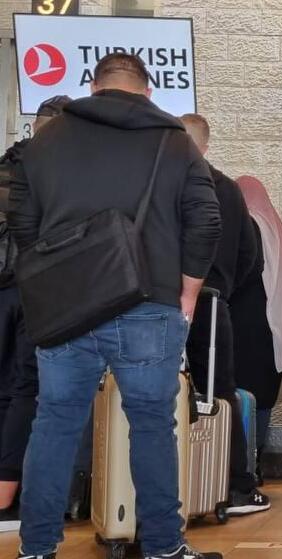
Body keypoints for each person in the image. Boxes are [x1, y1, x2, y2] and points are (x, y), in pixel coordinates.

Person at [7, 53, 222, 559]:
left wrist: (58, 279)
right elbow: (206, 220)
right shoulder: (174, 142)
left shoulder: (47, 140)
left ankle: (36, 548)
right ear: (147, 93)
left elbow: (22, 225)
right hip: (150, 306)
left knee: (55, 421)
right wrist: (187, 294)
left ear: (93, 87)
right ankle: (164, 547)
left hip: (66, 310)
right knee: (151, 425)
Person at [179, 114, 271, 515]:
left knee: (156, 394)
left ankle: (174, 484)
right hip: (212, 304)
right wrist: (224, 287)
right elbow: (251, 256)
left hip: (162, 305)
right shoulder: (228, 189)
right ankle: (235, 486)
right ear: (206, 145)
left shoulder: (162, 184)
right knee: (219, 392)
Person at [0, 96, 72, 533]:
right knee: (28, 390)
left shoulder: (5, 165)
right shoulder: (57, 174)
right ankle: (10, 494)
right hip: (35, 292)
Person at [230, 175, 282, 473]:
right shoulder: (277, 227)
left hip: (249, 323)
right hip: (274, 327)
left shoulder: (250, 226)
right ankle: (253, 461)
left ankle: (243, 465)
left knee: (245, 395)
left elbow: (241, 272)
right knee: (264, 397)